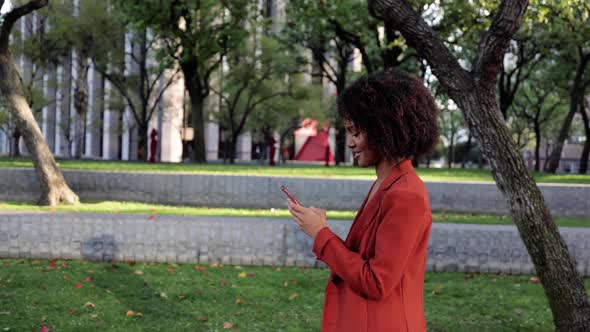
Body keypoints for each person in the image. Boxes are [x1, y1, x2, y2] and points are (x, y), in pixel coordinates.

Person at [287, 68, 439, 332]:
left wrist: (321, 234)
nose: (350, 143)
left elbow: (377, 281)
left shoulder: (406, 195)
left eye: (356, 133)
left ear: (385, 129)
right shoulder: (386, 184)